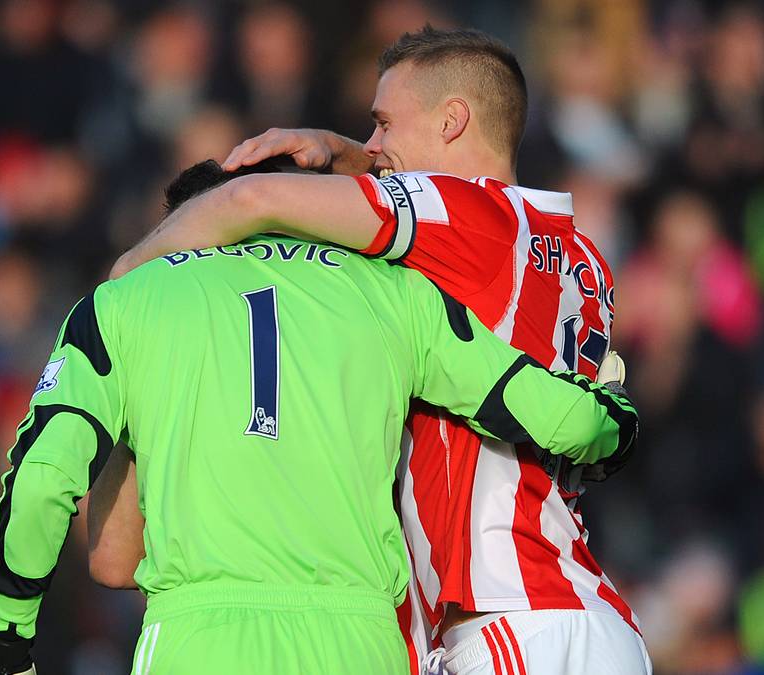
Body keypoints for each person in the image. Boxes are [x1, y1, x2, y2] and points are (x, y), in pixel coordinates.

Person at [103, 26, 650, 675]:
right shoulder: (580, 260)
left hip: (507, 616)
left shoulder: (471, 220)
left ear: (453, 120)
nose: (373, 146)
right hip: (584, 612)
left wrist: (125, 285)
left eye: (385, 124)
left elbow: (252, 198)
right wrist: (345, 156)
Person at [0, 160, 638, 675]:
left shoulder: (125, 302)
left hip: (201, 637)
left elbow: (42, 482)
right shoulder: (393, 292)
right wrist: (616, 420)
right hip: (359, 639)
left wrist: (10, 642)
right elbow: (563, 418)